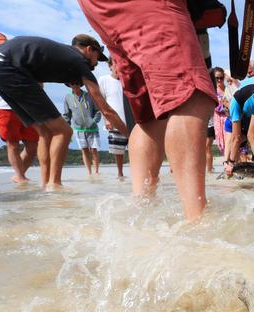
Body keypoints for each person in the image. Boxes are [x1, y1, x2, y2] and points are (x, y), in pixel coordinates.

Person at [77, 0, 217, 220]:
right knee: (190, 97)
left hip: (99, 9)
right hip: (150, 5)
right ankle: (198, 220)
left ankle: (141, 211)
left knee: (149, 118)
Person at [0, 35, 128, 190]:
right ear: (89, 49)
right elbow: (106, 110)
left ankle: (46, 183)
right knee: (63, 131)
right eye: (97, 57)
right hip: (10, 66)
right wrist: (130, 136)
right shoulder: (79, 62)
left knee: (45, 132)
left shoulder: (63, 54)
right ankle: (55, 184)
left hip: (4, 66)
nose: (96, 63)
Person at [0, 32, 39, 184]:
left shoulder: (18, 60)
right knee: (12, 143)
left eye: (2, 43)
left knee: (33, 145)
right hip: (3, 108)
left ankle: (19, 175)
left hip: (26, 107)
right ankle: (21, 177)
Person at [98, 58, 132, 179]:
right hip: (114, 121)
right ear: (110, 66)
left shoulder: (127, 81)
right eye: (115, 64)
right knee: (118, 151)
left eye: (120, 64)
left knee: (134, 148)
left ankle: (136, 172)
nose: (118, 68)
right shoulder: (104, 80)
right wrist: (106, 119)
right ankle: (120, 173)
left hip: (131, 121)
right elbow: (101, 102)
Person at [63, 83, 102, 176]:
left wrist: (93, 122)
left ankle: (96, 172)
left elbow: (98, 111)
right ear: (69, 85)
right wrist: (66, 127)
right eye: (72, 83)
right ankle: (89, 173)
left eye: (76, 83)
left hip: (92, 128)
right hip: (78, 129)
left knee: (94, 150)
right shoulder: (67, 97)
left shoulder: (90, 95)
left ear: (80, 84)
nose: (75, 85)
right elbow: (66, 115)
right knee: (84, 150)